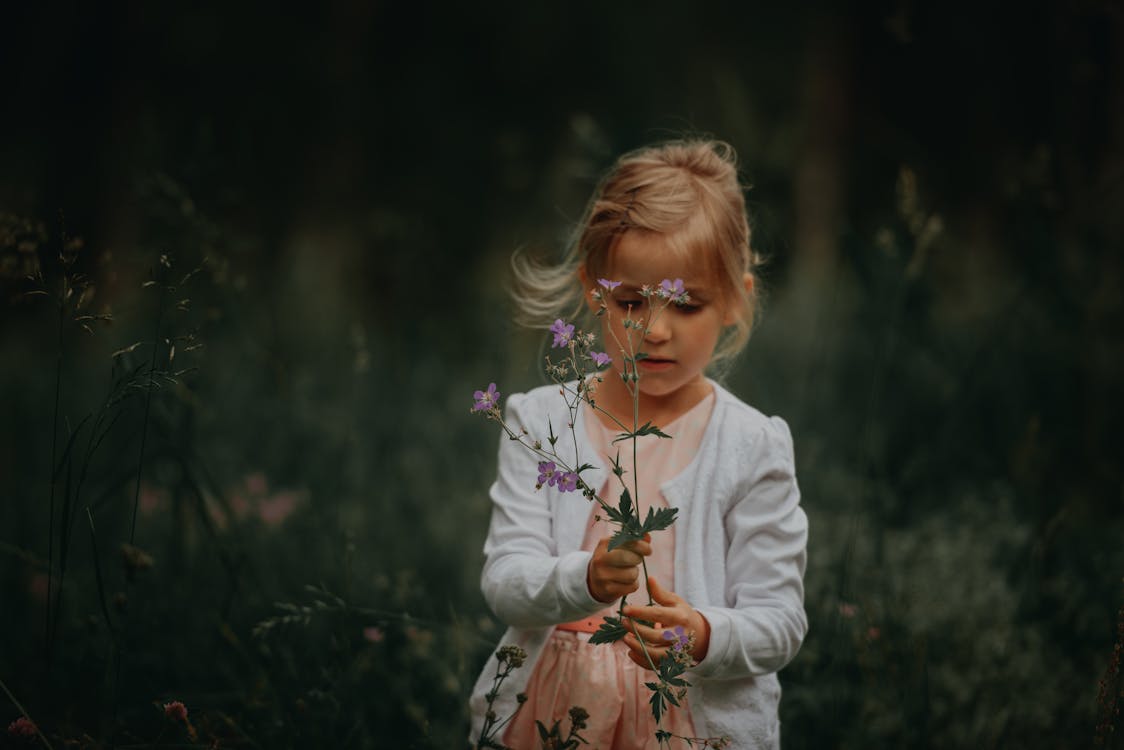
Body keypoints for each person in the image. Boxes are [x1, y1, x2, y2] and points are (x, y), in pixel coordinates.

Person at [469, 139, 808, 749]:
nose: (654, 328)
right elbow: (505, 579)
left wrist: (702, 635)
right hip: (552, 717)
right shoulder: (541, 421)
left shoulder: (751, 445)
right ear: (593, 292)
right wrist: (587, 579)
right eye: (629, 301)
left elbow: (780, 621)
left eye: (686, 303)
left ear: (736, 299)